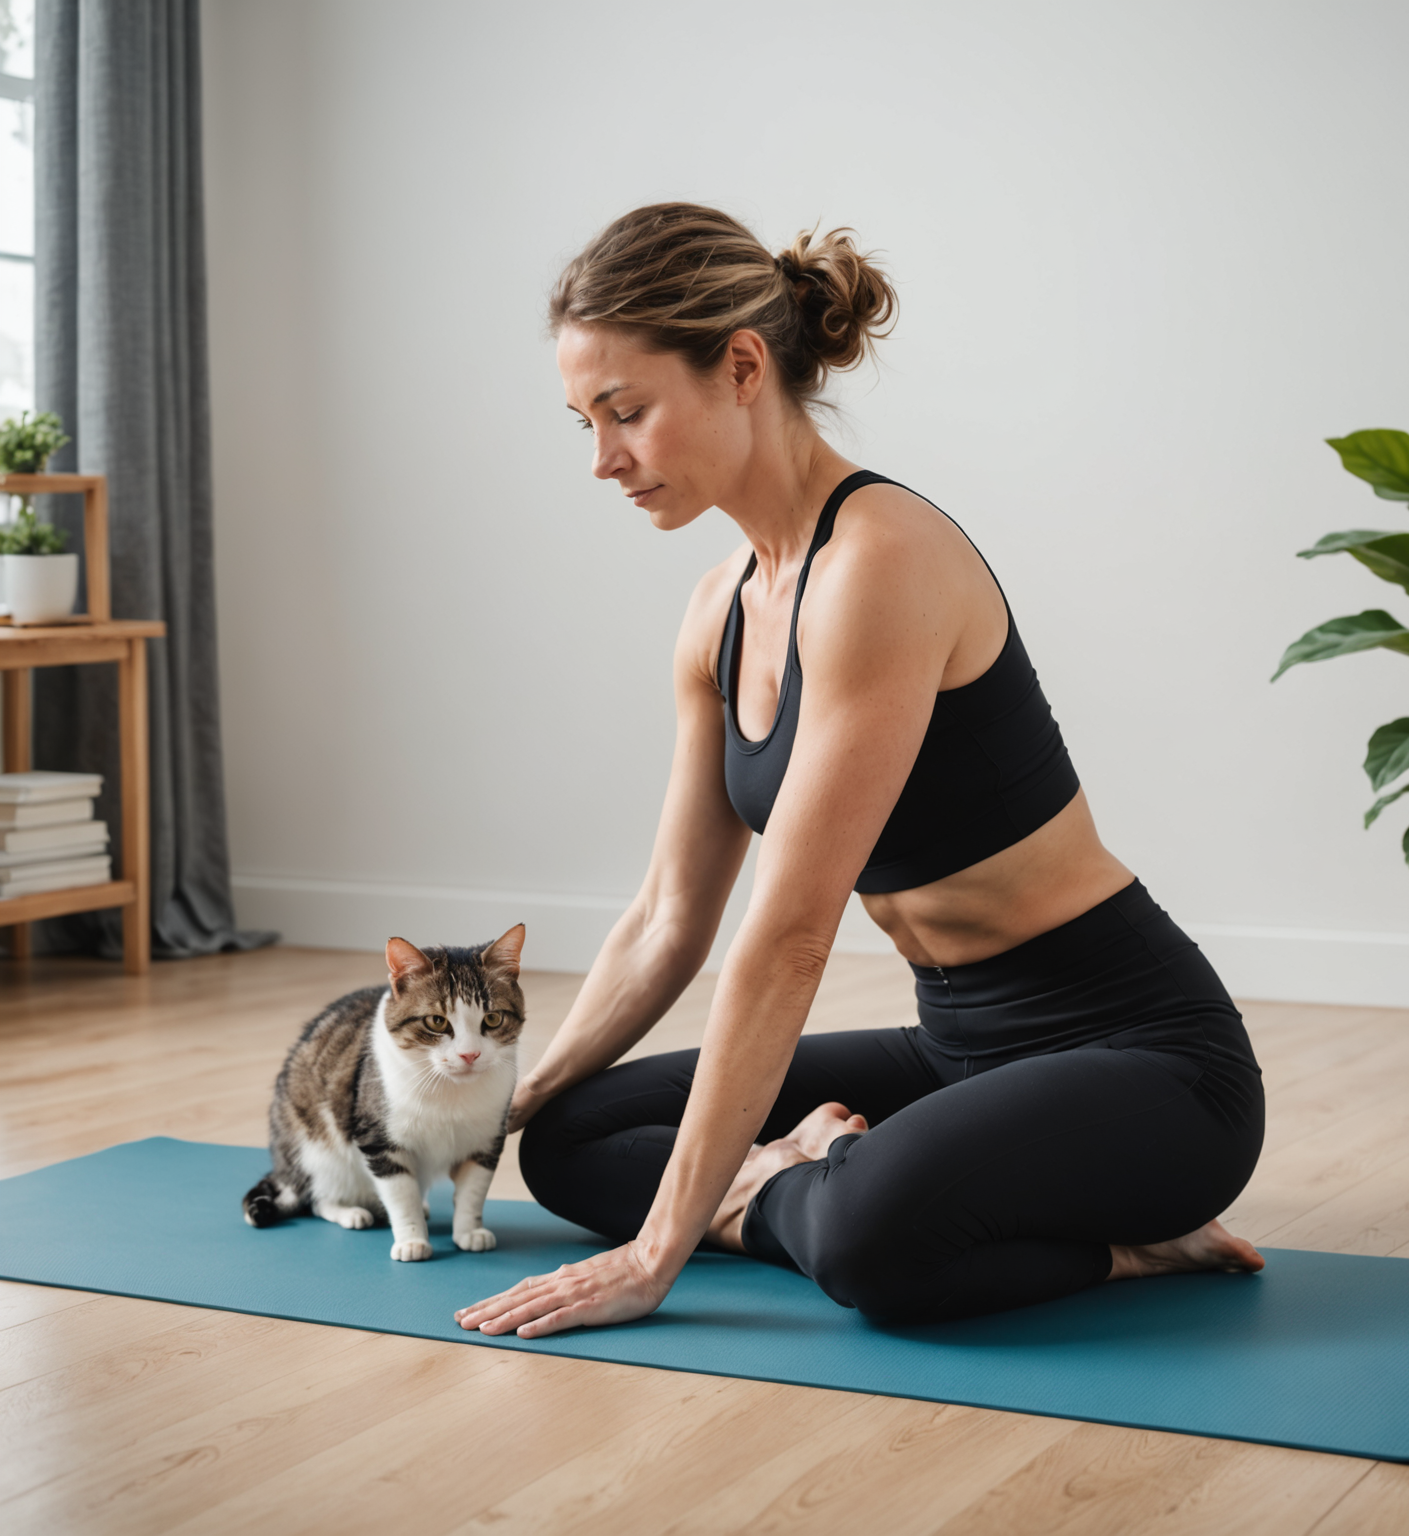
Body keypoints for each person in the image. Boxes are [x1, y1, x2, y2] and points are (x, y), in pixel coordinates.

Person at [454, 203, 1265, 1341]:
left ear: (742, 365)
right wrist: (502, 1108)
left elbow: (788, 939)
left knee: (872, 1243)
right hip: (953, 1049)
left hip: (1138, 1057)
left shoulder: (881, 561)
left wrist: (658, 1254)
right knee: (576, 1142)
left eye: (627, 413)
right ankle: (817, 1179)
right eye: (584, 422)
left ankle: (1121, 1242)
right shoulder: (716, 612)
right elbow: (666, 920)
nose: (603, 460)